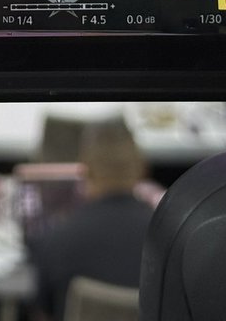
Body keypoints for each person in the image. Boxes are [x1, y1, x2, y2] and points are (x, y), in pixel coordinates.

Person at [27, 118, 154, 321]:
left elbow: (44, 312)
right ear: (141, 168)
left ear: (86, 171)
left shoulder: (57, 240)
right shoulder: (169, 239)